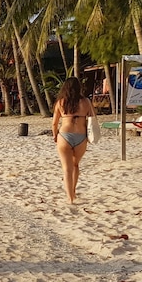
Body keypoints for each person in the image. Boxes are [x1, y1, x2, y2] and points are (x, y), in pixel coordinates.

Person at [51, 76, 96, 204]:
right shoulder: (86, 102)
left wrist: (55, 135)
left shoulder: (60, 102)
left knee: (67, 168)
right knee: (75, 165)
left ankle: (70, 197)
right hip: (81, 137)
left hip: (64, 136)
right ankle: (74, 192)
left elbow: (54, 123)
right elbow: (93, 118)